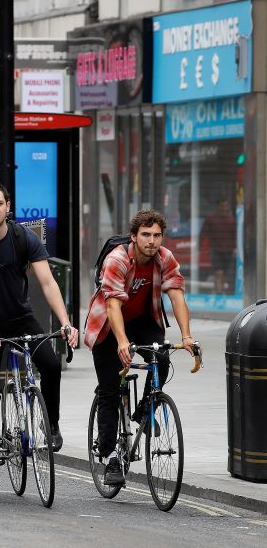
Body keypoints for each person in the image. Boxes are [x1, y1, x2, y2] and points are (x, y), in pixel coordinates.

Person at [0, 182, 78, 500]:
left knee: (50, 364)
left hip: (21, 319)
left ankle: (51, 427)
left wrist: (65, 323)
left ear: (8, 206)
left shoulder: (24, 238)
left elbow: (48, 282)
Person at [85, 209, 195, 487]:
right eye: (146, 235)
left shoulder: (164, 258)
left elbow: (177, 296)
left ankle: (145, 408)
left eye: (157, 235)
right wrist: (122, 342)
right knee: (110, 390)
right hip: (110, 327)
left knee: (162, 356)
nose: (152, 241)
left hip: (144, 320)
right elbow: (112, 305)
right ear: (134, 237)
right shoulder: (118, 259)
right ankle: (110, 457)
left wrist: (187, 336)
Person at [199, 197, 236, 295]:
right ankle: (220, 293)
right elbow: (203, 233)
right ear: (218, 206)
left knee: (222, 274)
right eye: (222, 205)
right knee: (218, 273)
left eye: (226, 205)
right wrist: (199, 246)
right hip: (215, 249)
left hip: (228, 250)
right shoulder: (211, 219)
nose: (224, 208)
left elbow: (235, 235)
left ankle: (219, 291)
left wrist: (235, 248)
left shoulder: (231, 220)